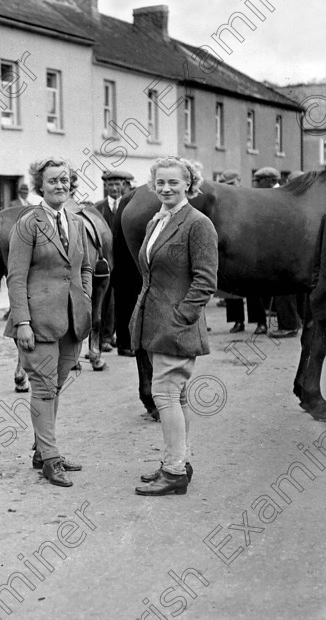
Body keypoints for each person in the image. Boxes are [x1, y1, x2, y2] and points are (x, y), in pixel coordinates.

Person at [131, 157, 218, 496]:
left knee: (164, 395)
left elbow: (205, 280)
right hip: (156, 323)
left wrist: (180, 319)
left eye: (173, 183)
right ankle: (178, 459)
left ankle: (174, 472)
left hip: (177, 326)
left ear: (188, 185)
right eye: (160, 183)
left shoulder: (198, 224)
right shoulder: (158, 221)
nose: (166, 188)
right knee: (176, 396)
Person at [4, 157, 92, 487]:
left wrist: (85, 302)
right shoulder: (28, 223)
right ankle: (50, 459)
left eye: (65, 180)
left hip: (72, 320)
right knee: (43, 386)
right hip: (37, 322)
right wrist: (22, 322)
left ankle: (44, 449)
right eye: (53, 180)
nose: (60, 185)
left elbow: (84, 268)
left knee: (55, 386)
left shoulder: (77, 222)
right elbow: (16, 276)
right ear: (40, 185)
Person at [252, 167, 301, 338]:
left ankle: (288, 325)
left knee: (284, 285)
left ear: (269, 180)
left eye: (258, 181)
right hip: (286, 246)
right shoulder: (283, 194)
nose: (256, 184)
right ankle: (293, 321)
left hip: (284, 247)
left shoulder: (280, 196)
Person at [217, 170, 267, 335]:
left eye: (231, 184)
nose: (228, 187)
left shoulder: (249, 197)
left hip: (250, 246)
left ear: (238, 181)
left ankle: (260, 322)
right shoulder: (221, 199)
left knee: (254, 287)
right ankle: (237, 321)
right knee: (231, 289)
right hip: (230, 246)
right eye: (226, 184)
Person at [95, 170, 134, 351]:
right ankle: (104, 337)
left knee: (123, 299)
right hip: (105, 261)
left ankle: (119, 336)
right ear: (105, 186)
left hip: (124, 261)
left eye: (117, 184)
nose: (114, 188)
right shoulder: (98, 208)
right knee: (104, 299)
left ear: (123, 185)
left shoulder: (129, 206)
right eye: (110, 185)